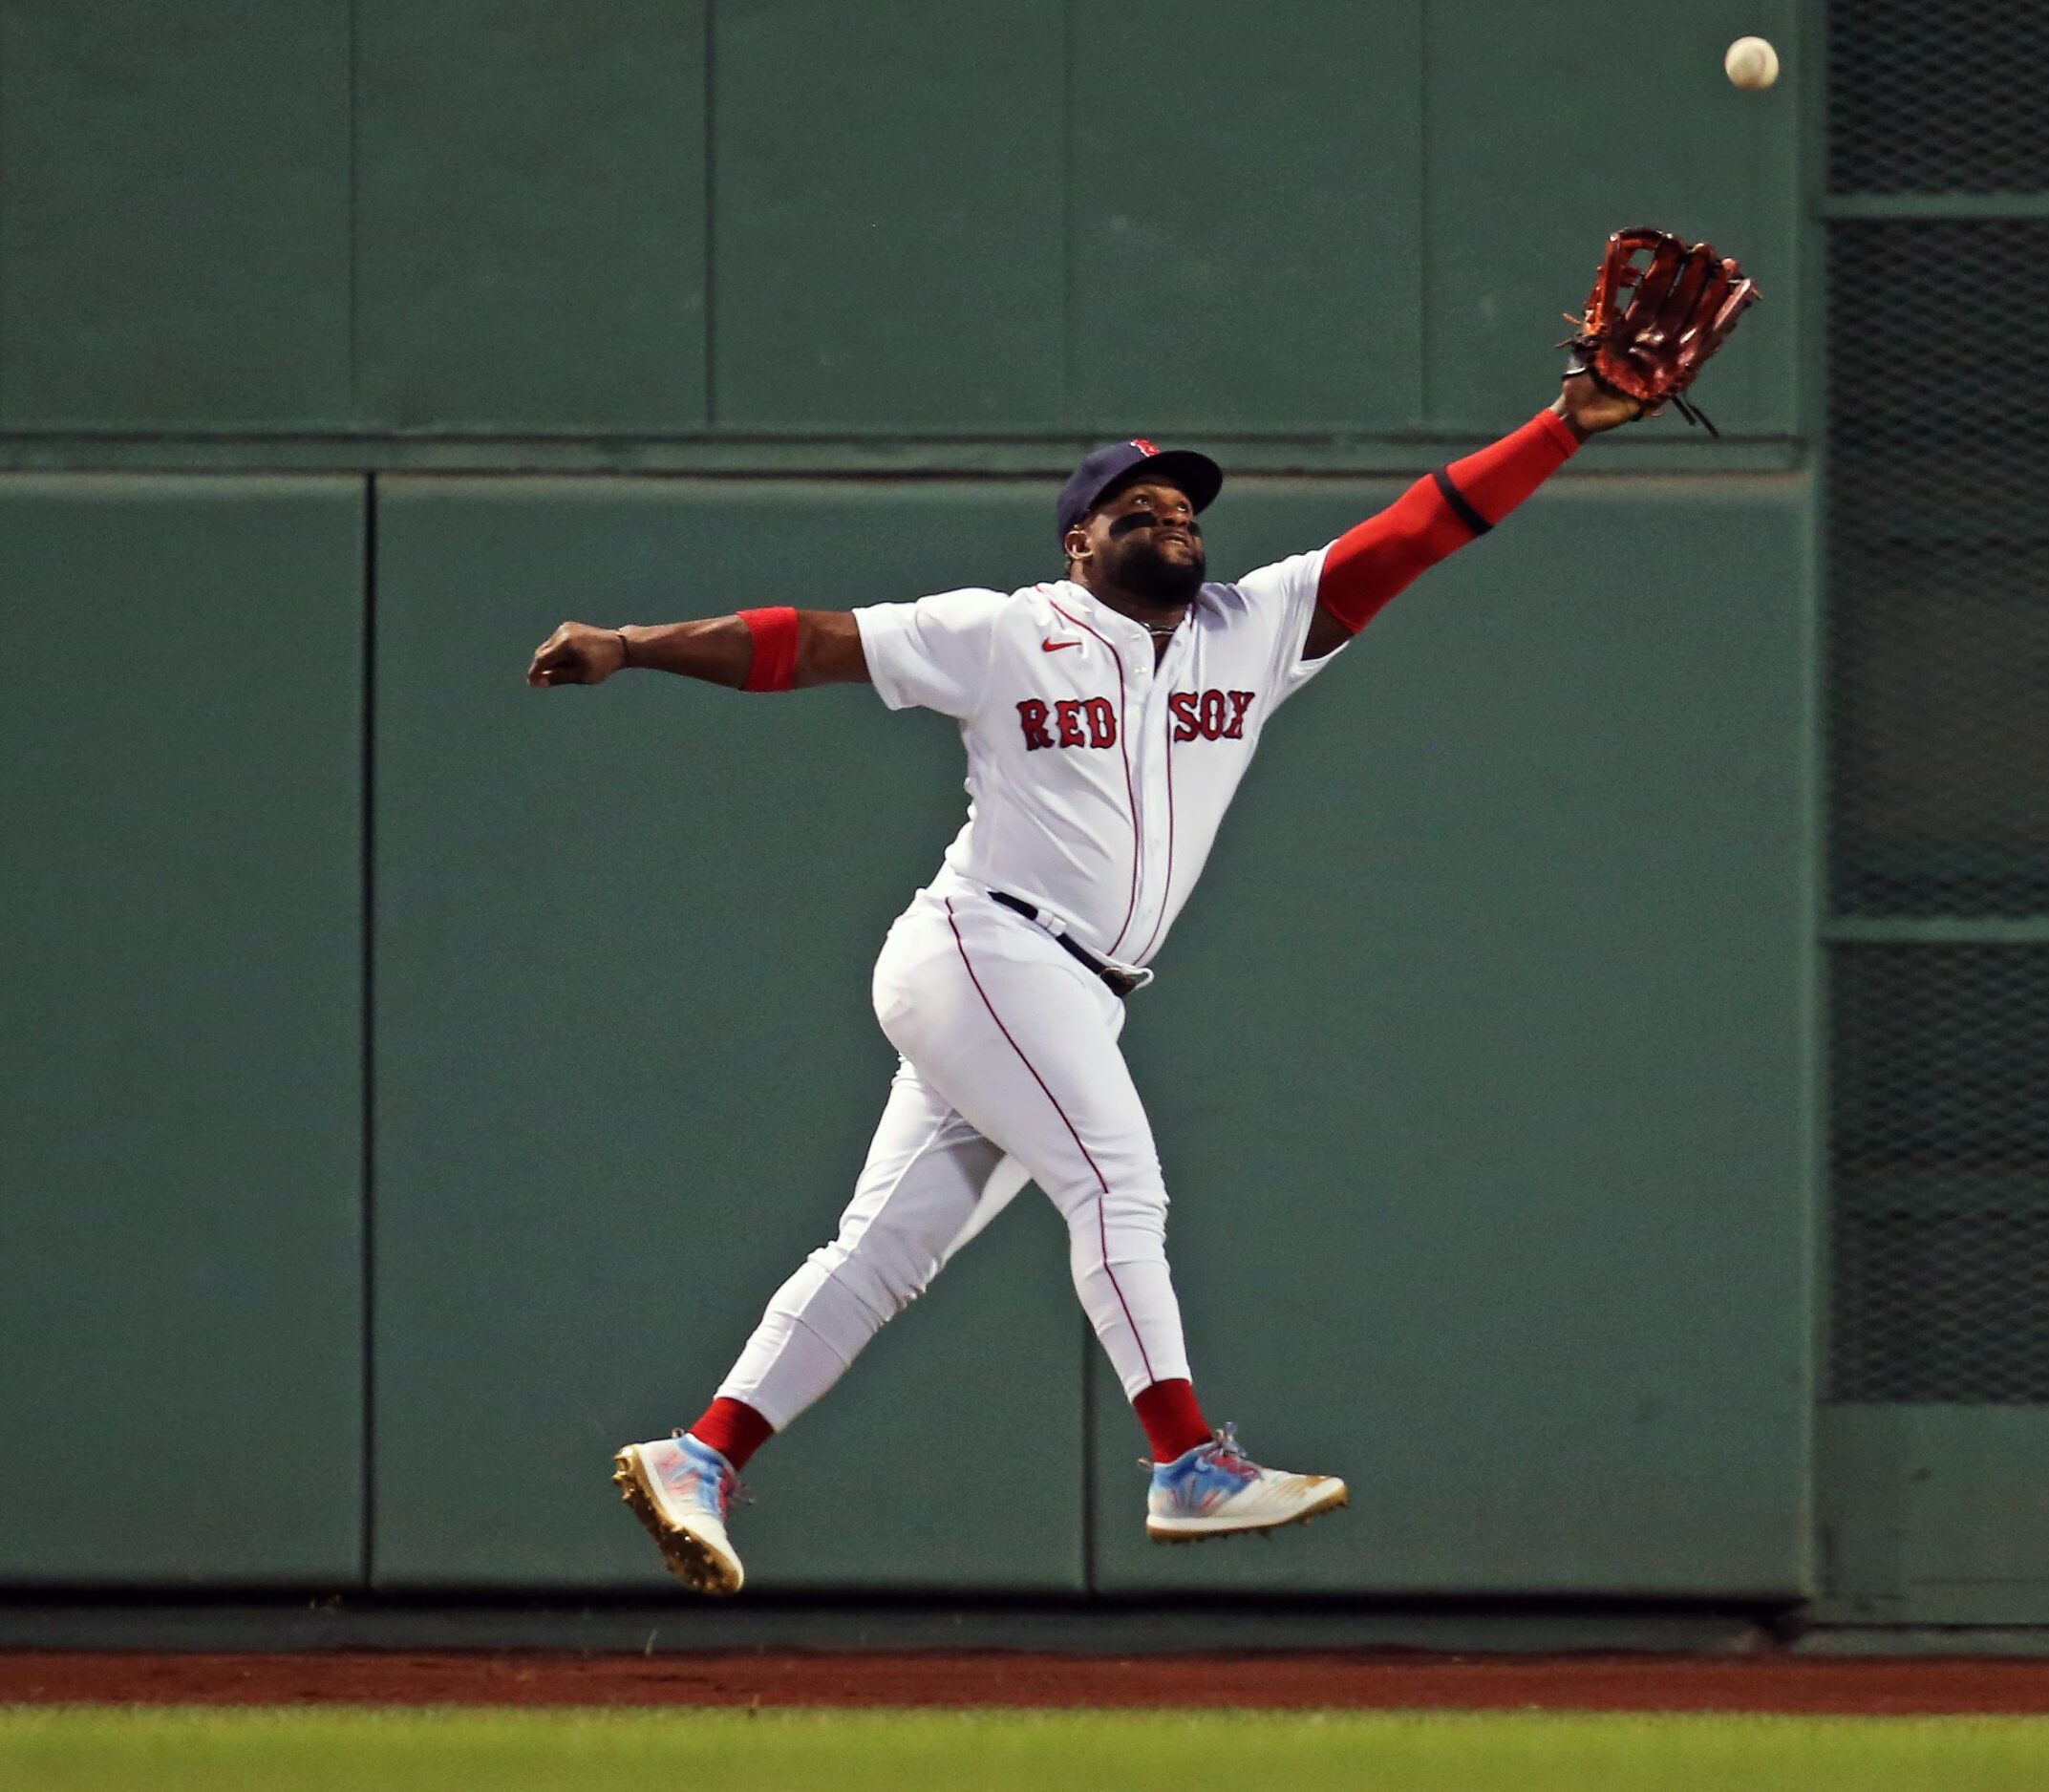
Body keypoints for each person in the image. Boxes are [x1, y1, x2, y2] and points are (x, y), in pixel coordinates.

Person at [528, 369, 1656, 1594]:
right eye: (1137, 507)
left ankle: (701, 1453)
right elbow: (809, 641)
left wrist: (1561, 428)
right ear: (1079, 542)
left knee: (887, 1251)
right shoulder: (1007, 629)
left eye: (1184, 508)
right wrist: (632, 646)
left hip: (1068, 988)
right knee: (1115, 1177)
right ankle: (1186, 1459)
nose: (1172, 519)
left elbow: (1420, 529)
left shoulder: (1253, 625)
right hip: (986, 947)